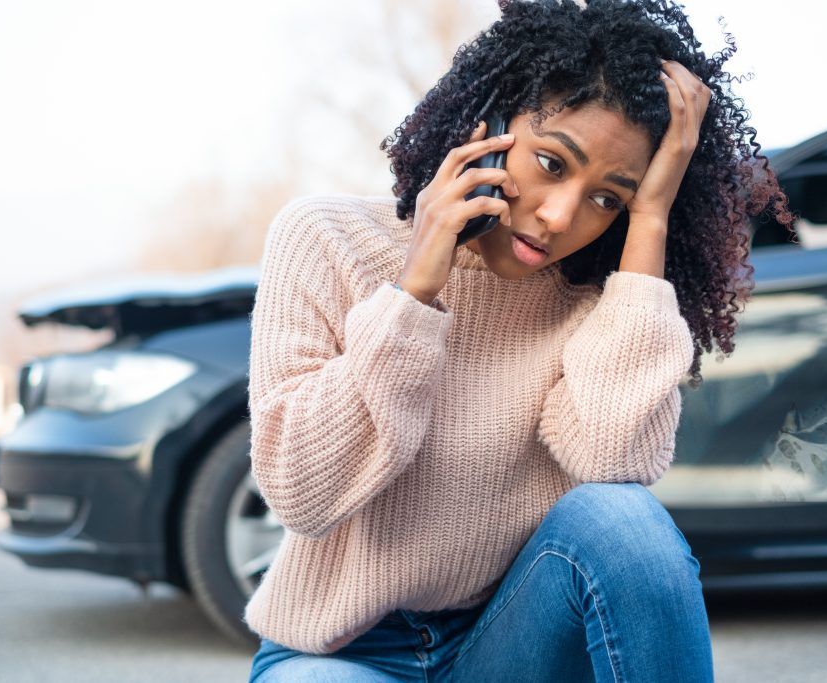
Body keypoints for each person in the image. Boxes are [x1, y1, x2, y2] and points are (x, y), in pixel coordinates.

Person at [244, 0, 792, 680]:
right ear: (489, 122)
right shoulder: (325, 239)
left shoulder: (601, 299)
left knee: (624, 522)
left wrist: (649, 218)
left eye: (607, 199)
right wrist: (413, 293)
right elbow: (303, 491)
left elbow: (612, 458)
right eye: (553, 163)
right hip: (342, 652)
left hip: (508, 641)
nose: (561, 216)